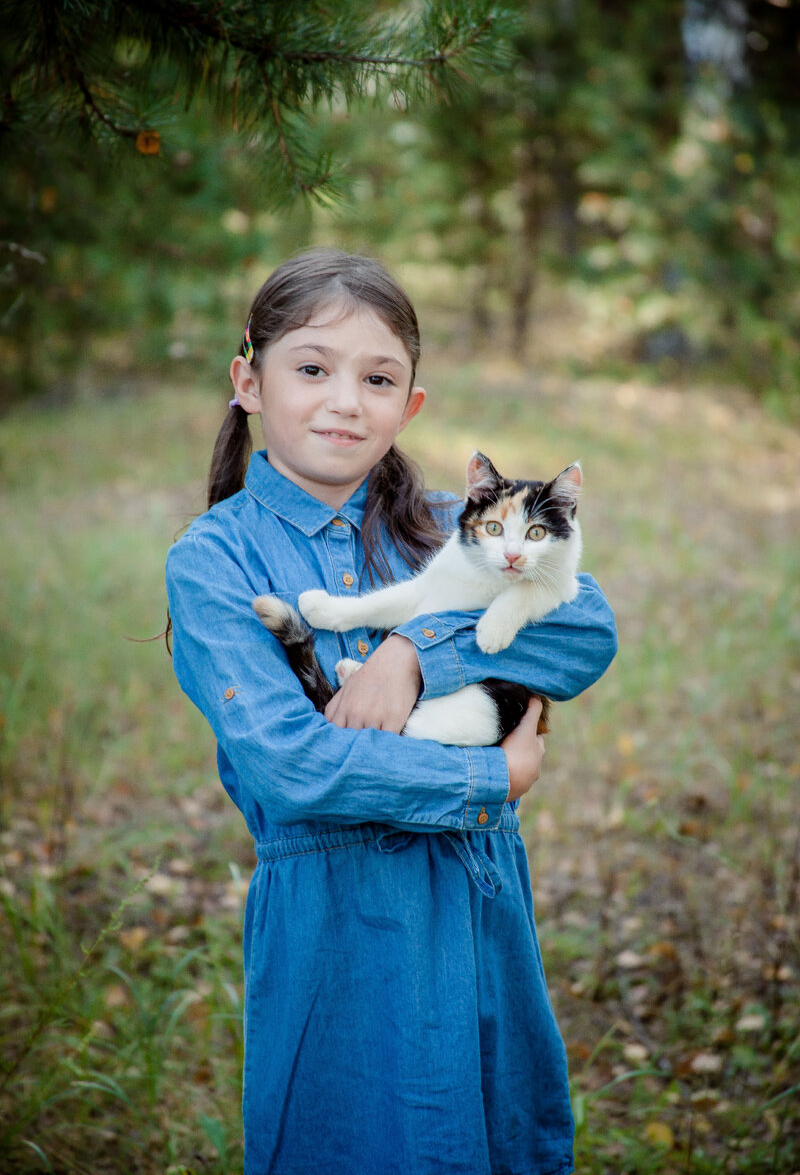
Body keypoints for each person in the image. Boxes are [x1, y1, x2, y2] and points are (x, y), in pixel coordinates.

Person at [165, 248, 617, 1175]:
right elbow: (293, 764)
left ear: (410, 405)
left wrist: (414, 652)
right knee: (354, 1134)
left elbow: (589, 629)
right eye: (312, 368)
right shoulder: (213, 562)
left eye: (378, 379)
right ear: (249, 380)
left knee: (489, 1130)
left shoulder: (458, 522)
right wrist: (491, 774)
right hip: (332, 920)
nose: (344, 401)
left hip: (474, 894)